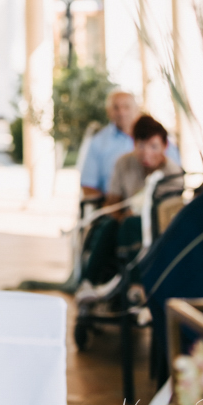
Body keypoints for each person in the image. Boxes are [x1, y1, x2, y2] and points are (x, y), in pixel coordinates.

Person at [78, 115, 185, 297]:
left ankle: (134, 286)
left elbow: (163, 213)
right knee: (108, 225)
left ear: (165, 146)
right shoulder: (124, 163)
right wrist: (122, 215)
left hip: (156, 228)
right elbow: (113, 202)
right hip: (123, 221)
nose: (146, 153)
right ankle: (89, 283)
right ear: (134, 144)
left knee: (129, 225)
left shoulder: (172, 174)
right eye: (141, 145)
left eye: (153, 146)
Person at [79, 90, 180, 200]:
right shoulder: (99, 143)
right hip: (115, 202)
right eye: (116, 108)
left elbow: (176, 177)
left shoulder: (158, 138)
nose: (121, 112)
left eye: (126, 107)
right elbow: (88, 185)